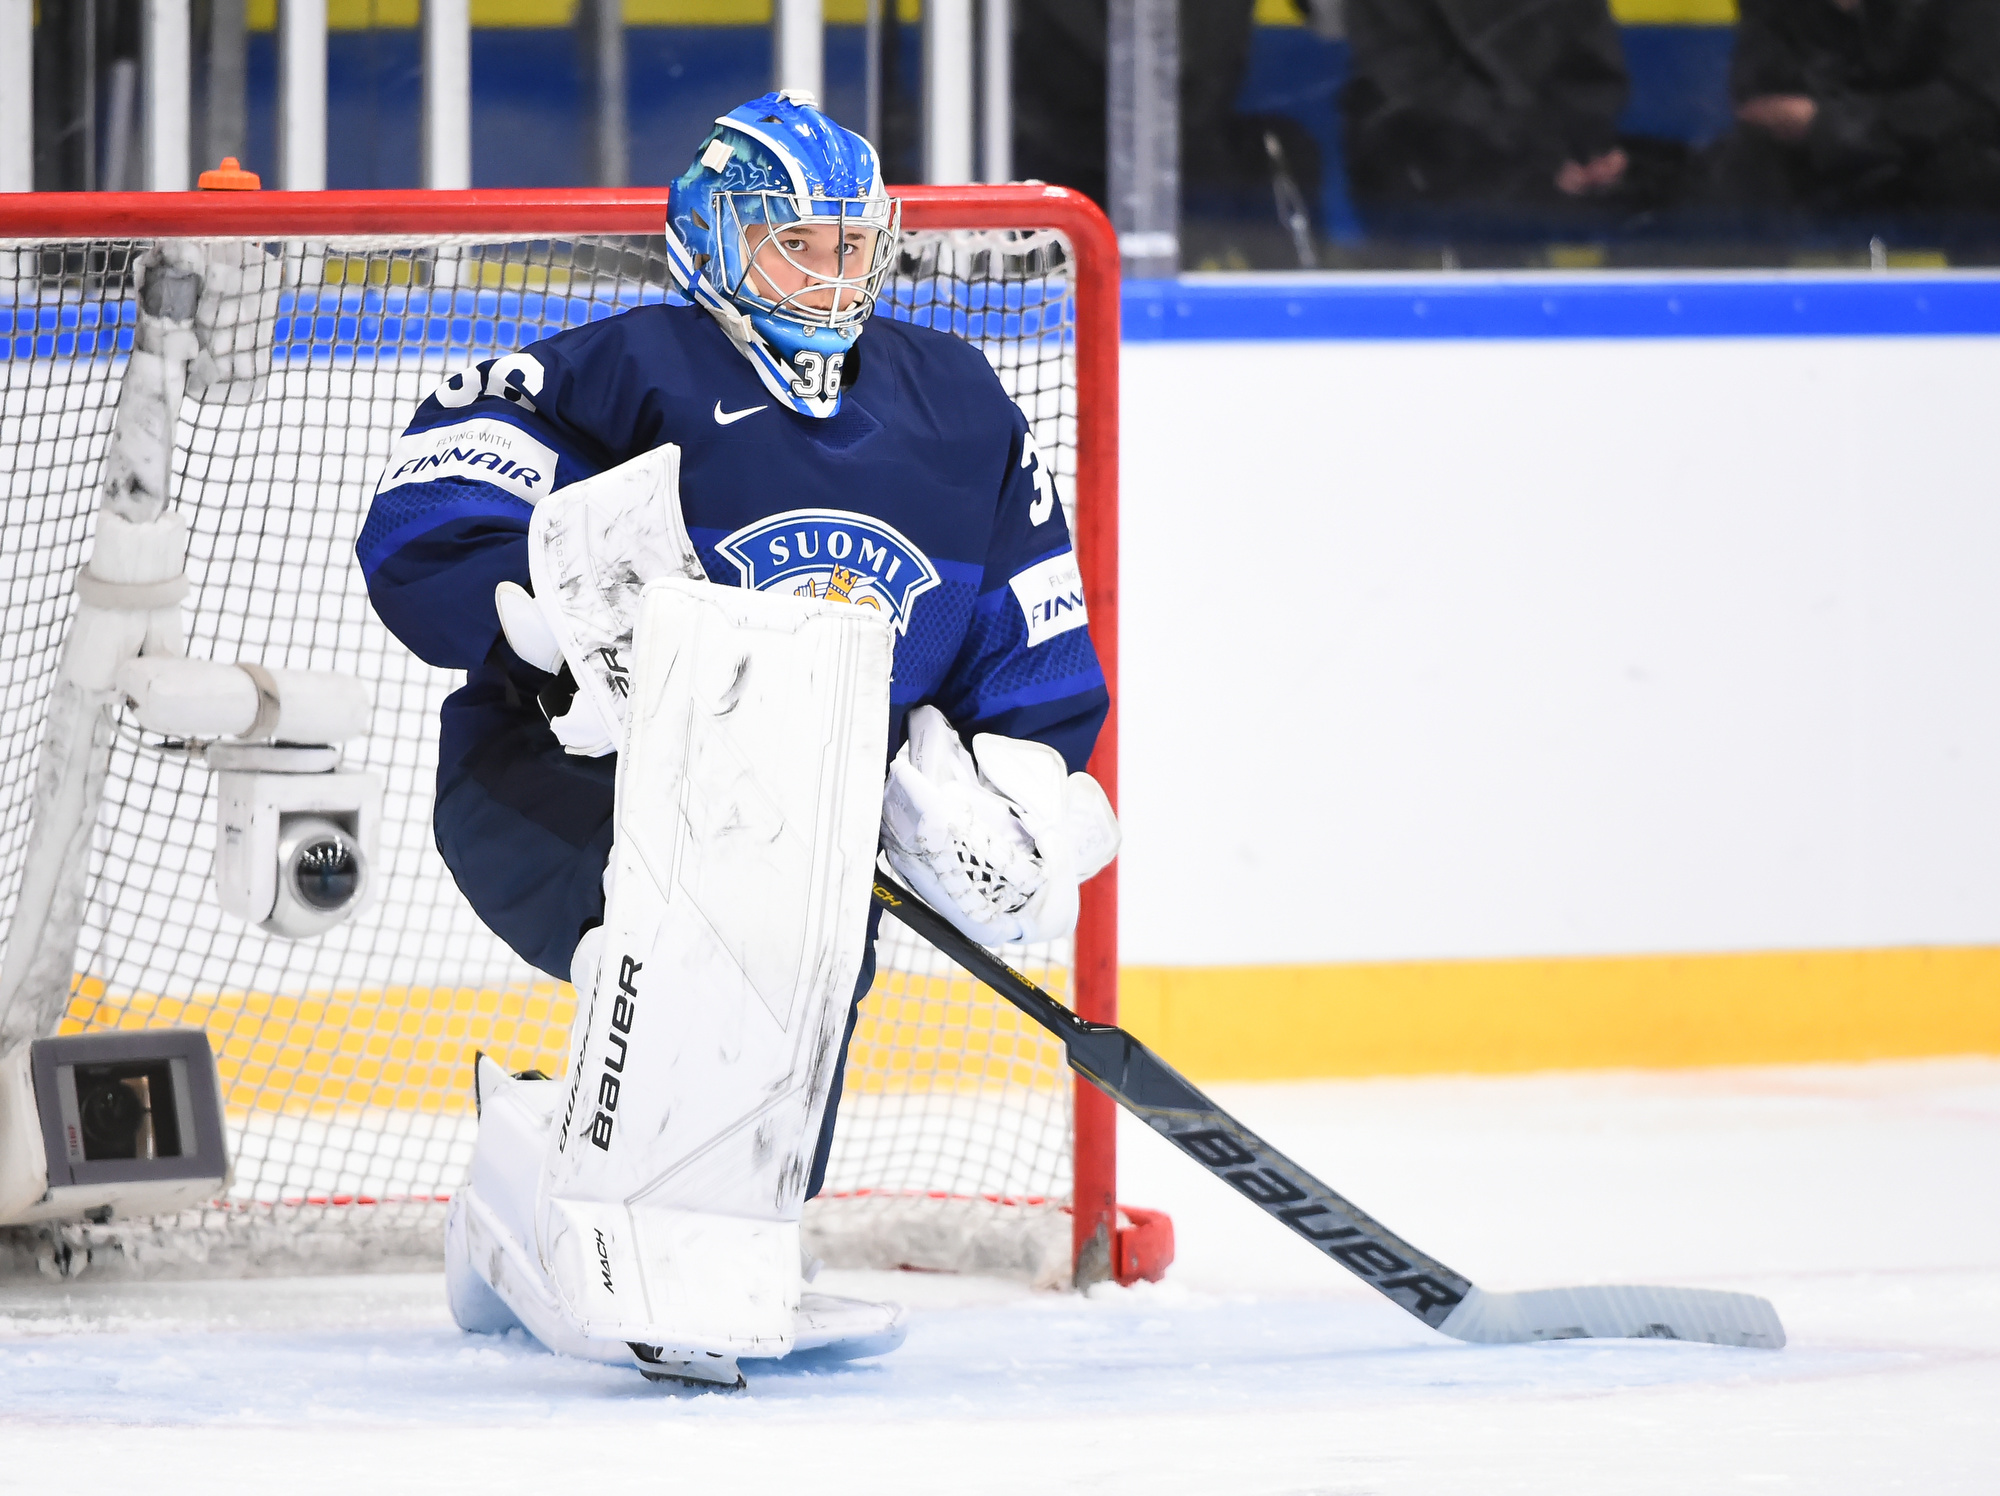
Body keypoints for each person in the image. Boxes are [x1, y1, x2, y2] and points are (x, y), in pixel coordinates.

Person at [355, 91, 1114, 1381]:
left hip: (803, 816)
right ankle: (607, 1224)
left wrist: (1016, 791)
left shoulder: (960, 406)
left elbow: (1023, 636)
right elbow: (426, 512)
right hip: (553, 778)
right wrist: (536, 626)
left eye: (849, 247)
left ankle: (603, 1199)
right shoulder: (619, 369)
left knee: (807, 965)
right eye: (792, 248)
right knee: (716, 932)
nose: (827, 279)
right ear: (712, 239)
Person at [1341, 0, 1637, 230]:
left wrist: (1590, 145)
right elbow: (1408, 73)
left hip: (1545, 164)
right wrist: (1537, 146)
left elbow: (1590, 50)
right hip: (1433, 169)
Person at [1708, 0, 2000, 229]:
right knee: (1739, 172)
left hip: (1929, 156)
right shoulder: (1780, 9)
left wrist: (1828, 123)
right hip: (1822, 158)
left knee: (1971, 171)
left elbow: (1972, 102)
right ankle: (1753, 298)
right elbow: (1763, 95)